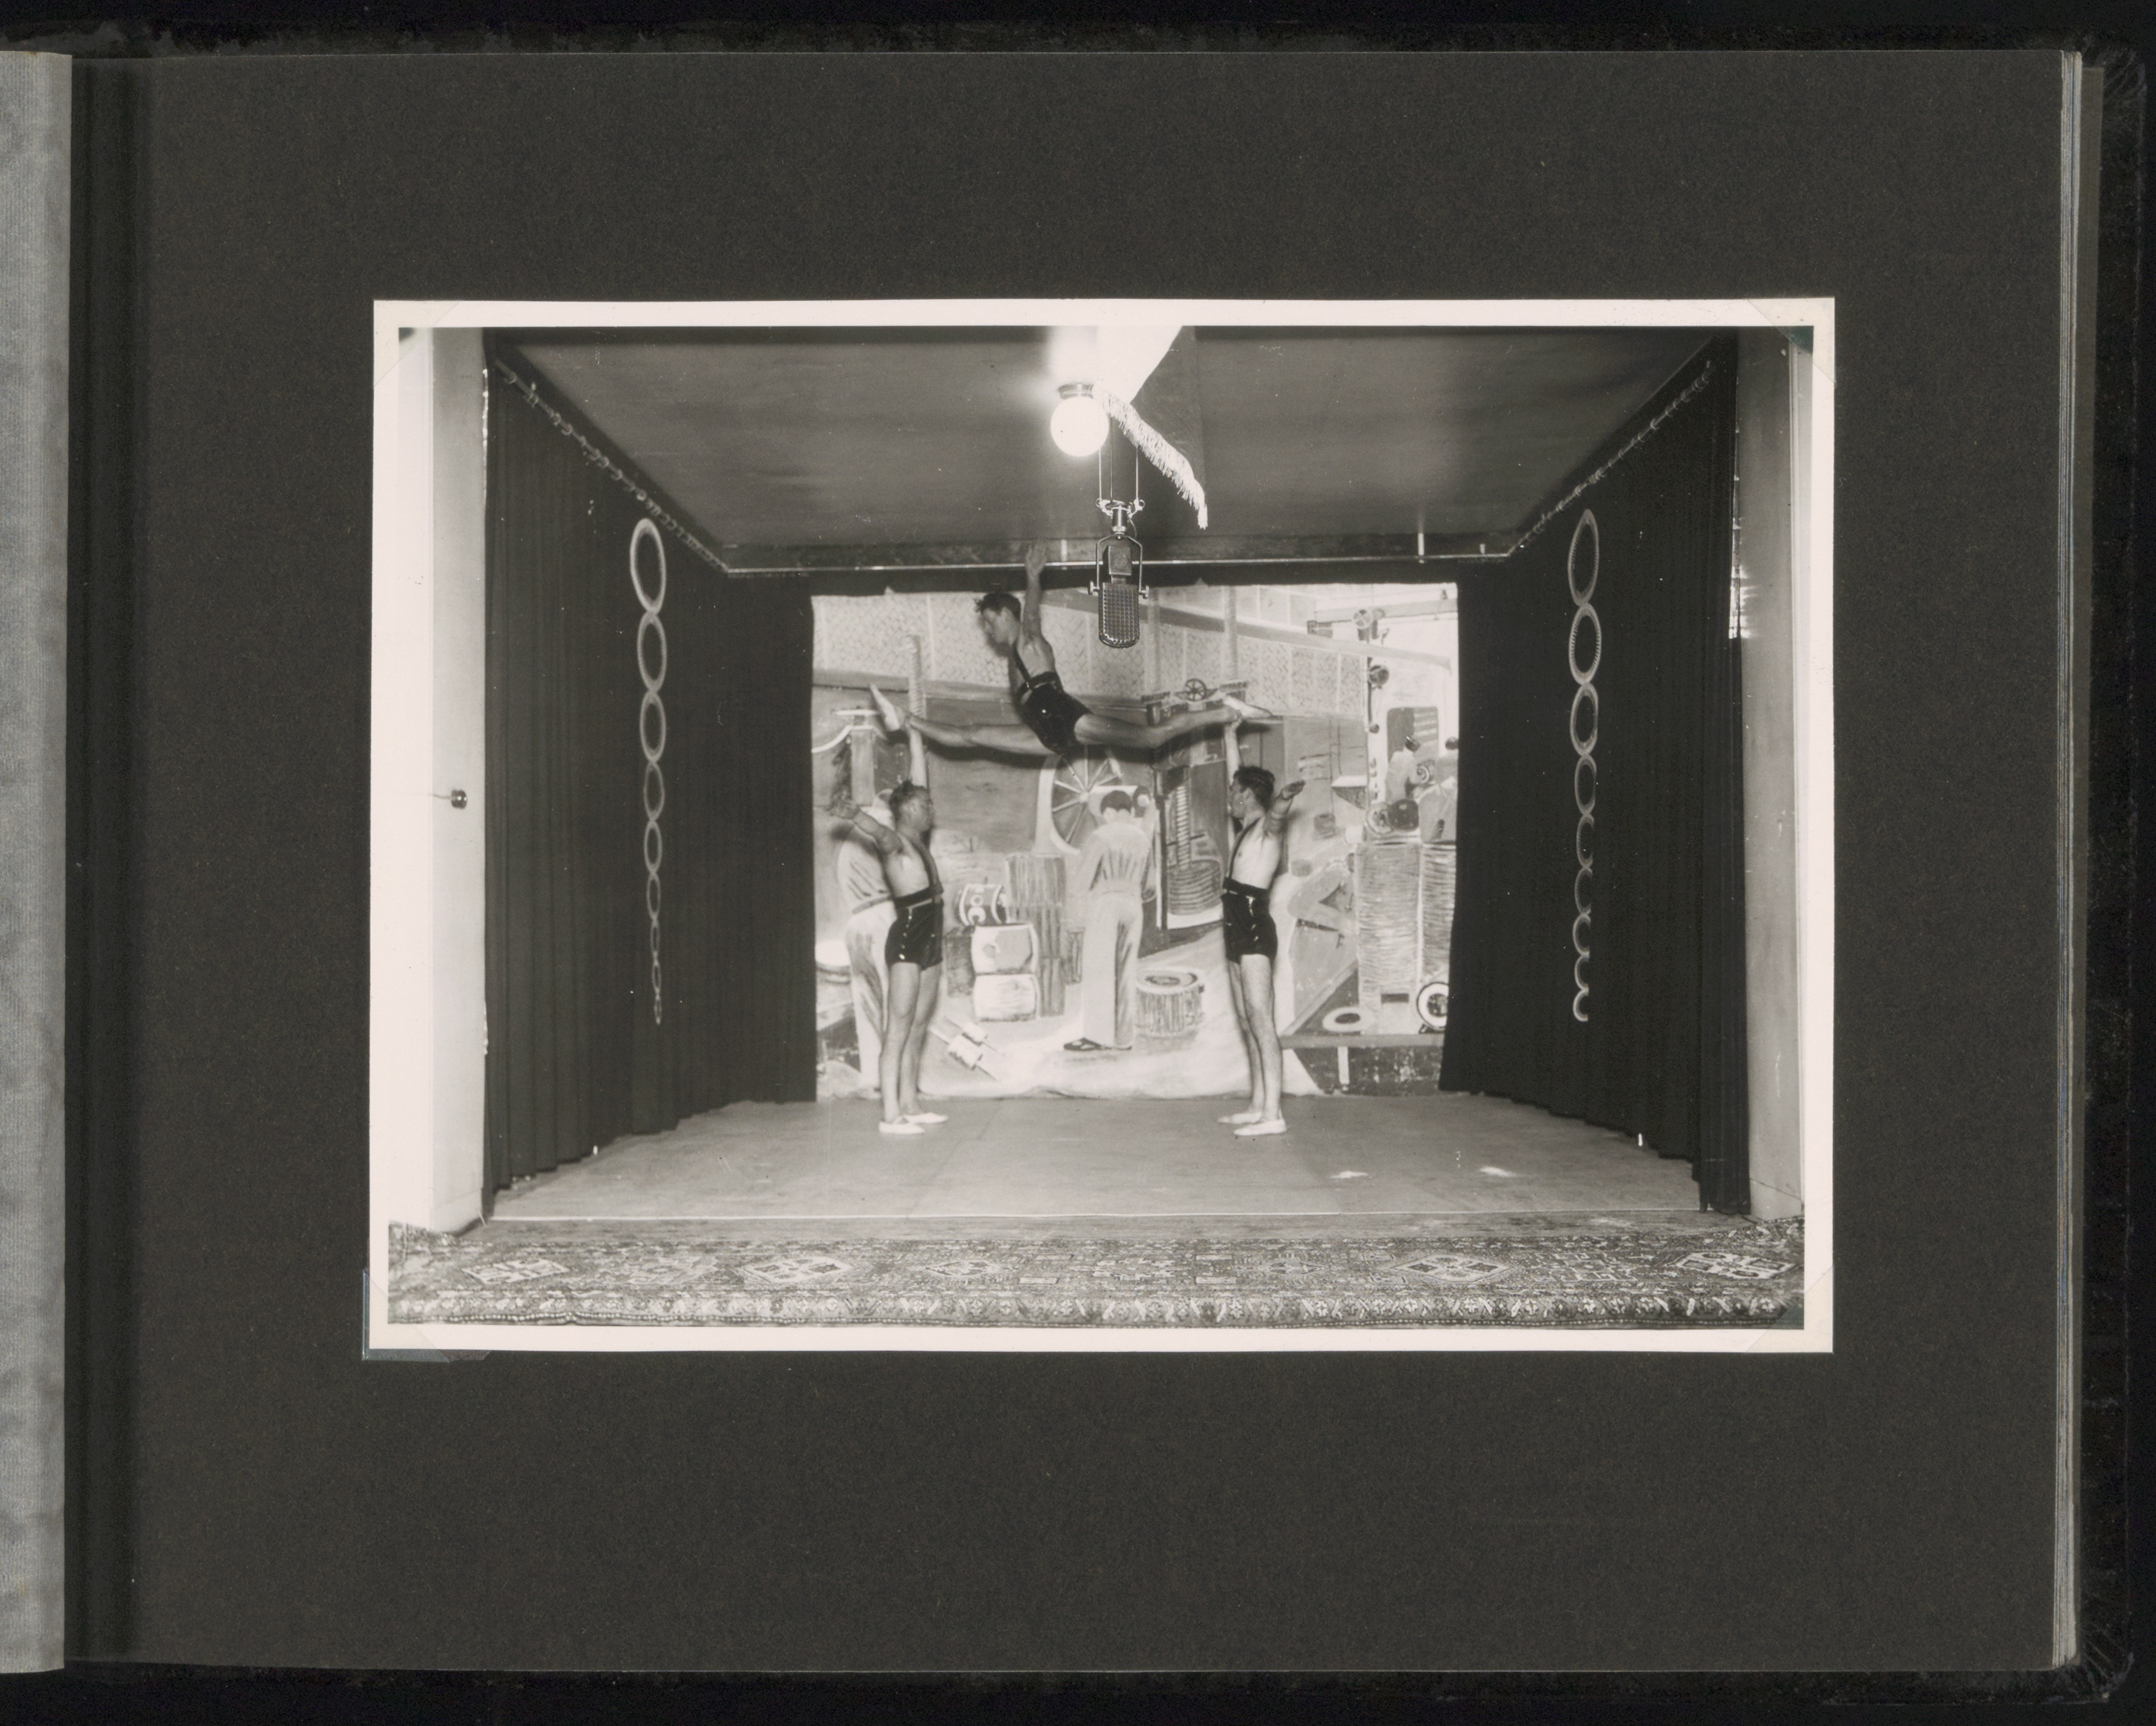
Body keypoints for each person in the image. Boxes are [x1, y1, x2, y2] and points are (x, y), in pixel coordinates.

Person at [870, 544, 1268, 758]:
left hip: (1063, 716)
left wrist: (1032, 578)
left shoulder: (1028, 641)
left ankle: (1226, 709)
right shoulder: (1015, 655)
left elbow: (1031, 617)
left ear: (1005, 614)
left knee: (1151, 739)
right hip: (1046, 732)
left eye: (990, 622)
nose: (988, 632)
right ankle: (905, 719)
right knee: (972, 735)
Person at [832, 769, 946, 1137]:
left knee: (917, 1026)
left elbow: (918, 773)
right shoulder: (897, 843)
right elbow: (880, 834)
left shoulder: (919, 841)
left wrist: (914, 738)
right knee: (898, 1027)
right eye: (925, 804)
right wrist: (856, 815)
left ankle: (910, 1105)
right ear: (908, 810)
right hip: (909, 937)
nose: (931, 809)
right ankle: (891, 1115)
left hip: (931, 937)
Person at [1218, 718, 1302, 1137]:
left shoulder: (1266, 830)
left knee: (1260, 1018)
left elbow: (1278, 818)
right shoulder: (1244, 828)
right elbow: (1237, 772)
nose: (1229, 798)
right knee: (1246, 1019)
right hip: (1234, 922)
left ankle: (1273, 1115)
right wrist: (1230, 735)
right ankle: (1257, 1105)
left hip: (1252, 923)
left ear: (1248, 795)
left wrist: (1284, 798)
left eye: (1233, 792)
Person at [1063, 789, 1154, 1052]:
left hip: (1106, 903)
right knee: (1126, 971)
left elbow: (1081, 882)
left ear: (1110, 813)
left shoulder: (1101, 836)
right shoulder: (1143, 839)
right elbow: (1150, 886)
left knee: (1100, 970)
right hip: (1134, 906)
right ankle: (1124, 1038)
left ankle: (1097, 1037)